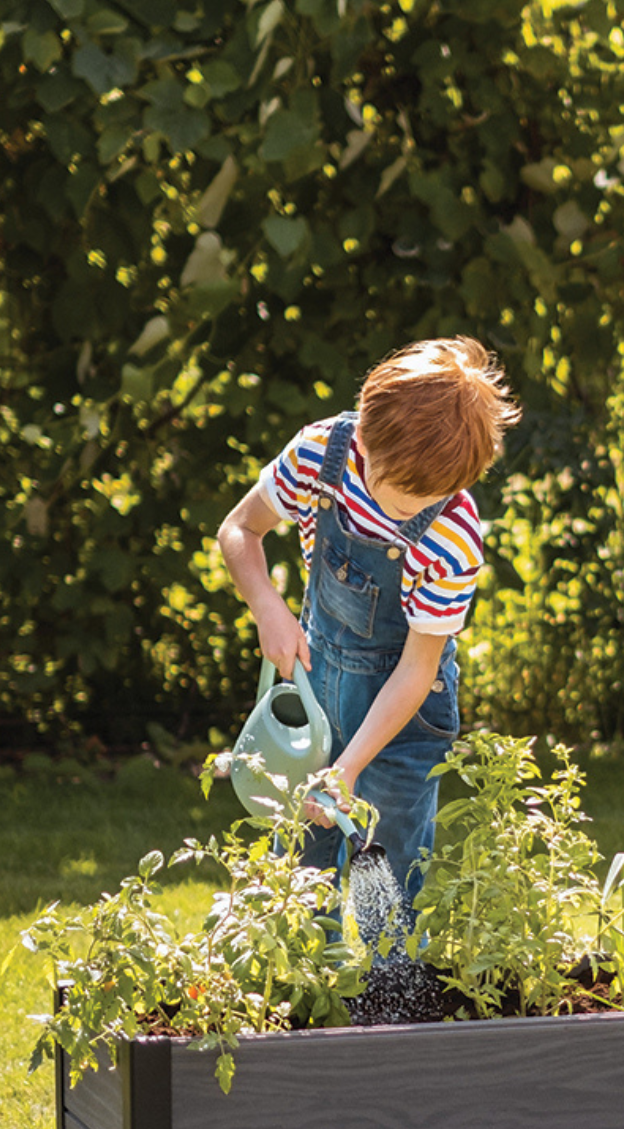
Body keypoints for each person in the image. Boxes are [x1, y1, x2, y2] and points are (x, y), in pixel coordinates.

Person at [218, 337, 520, 899]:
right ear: (364, 439)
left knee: (397, 872)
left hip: (405, 718)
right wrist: (269, 608)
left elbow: (415, 669)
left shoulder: (452, 535)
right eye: (401, 494)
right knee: (303, 877)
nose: (409, 510)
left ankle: (397, 978)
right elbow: (238, 530)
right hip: (318, 695)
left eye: (430, 497)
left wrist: (348, 767)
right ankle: (311, 980)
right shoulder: (321, 454)